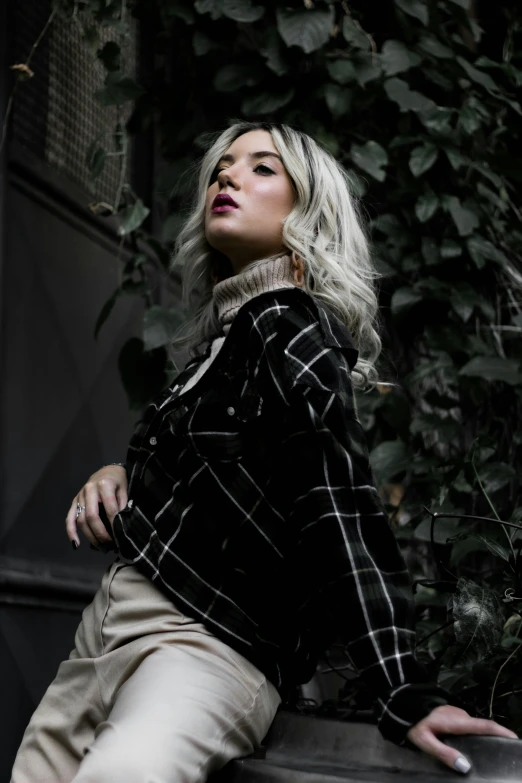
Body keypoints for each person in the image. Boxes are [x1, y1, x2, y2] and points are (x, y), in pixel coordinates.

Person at [11, 121, 517, 783]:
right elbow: (225, 480)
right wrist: (120, 473)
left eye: (262, 168)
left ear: (309, 208)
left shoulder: (290, 326)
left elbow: (335, 508)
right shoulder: (224, 342)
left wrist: (402, 686)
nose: (227, 175)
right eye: (223, 166)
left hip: (202, 648)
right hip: (105, 628)